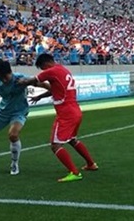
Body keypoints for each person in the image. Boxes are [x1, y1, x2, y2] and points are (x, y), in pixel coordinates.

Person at [18, 53, 97, 183]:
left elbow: (32, 80)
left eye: (43, 68)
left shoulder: (52, 71)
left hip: (66, 113)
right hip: (75, 110)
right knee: (72, 140)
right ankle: (91, 164)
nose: (44, 71)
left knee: (55, 145)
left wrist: (20, 81)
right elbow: (55, 89)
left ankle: (74, 172)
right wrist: (40, 97)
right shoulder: (63, 70)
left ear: (46, 63)